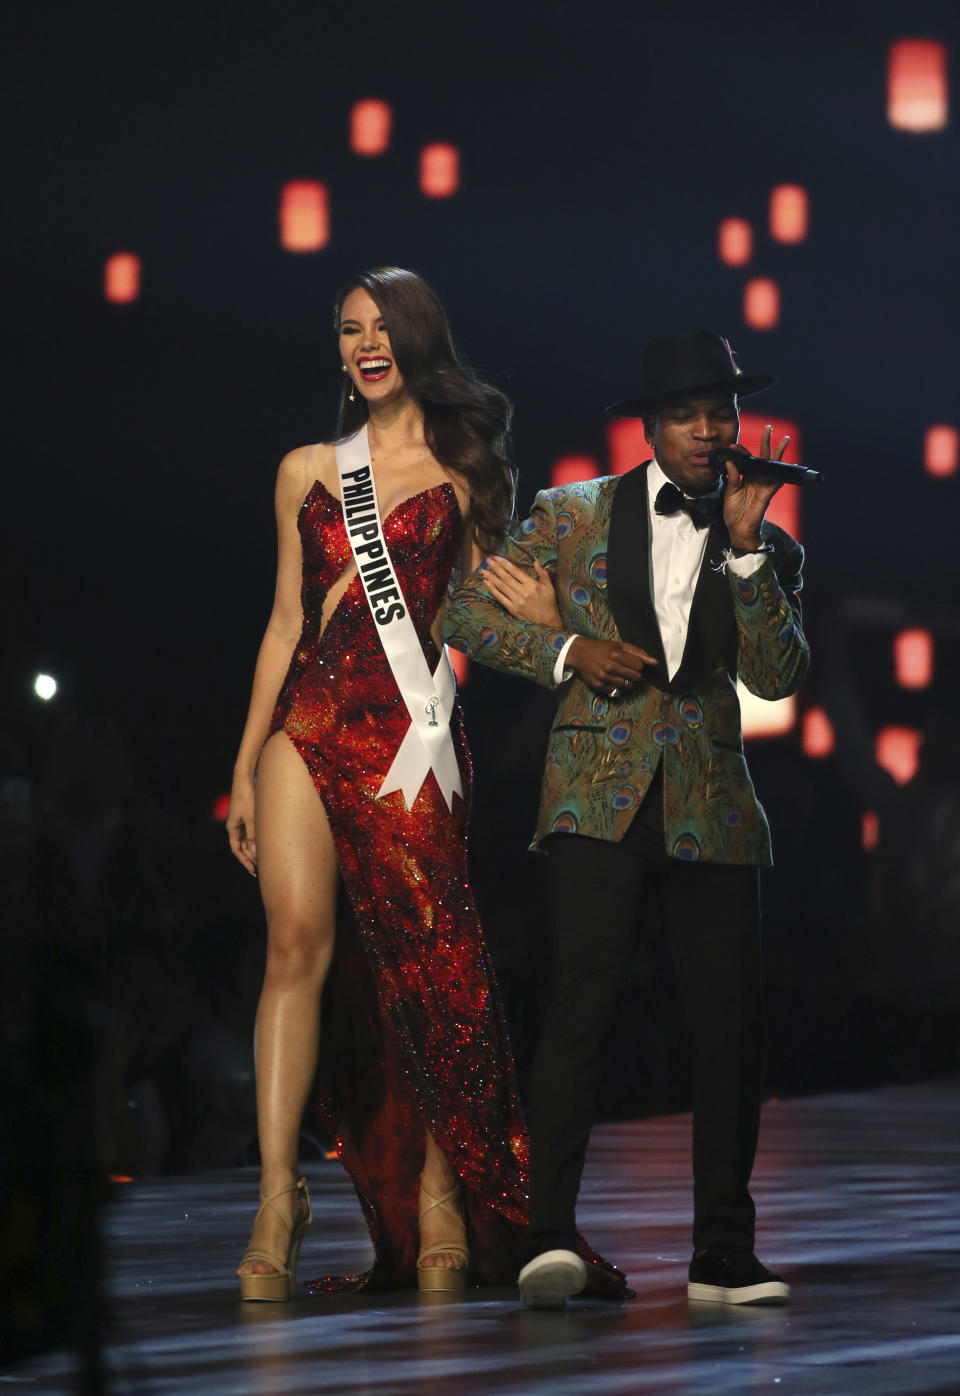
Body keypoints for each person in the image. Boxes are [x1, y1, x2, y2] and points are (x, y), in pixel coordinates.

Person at [226, 267, 626, 1301]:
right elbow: (283, 621)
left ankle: (445, 1197)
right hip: (307, 724)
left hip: (410, 735)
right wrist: (240, 763)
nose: (365, 345)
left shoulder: (466, 471)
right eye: (349, 329)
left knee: (435, 968)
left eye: (382, 328)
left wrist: (545, 618)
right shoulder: (305, 469)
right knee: (293, 943)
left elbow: (485, 625)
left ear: (417, 340)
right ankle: (279, 1197)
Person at [441, 329, 810, 1308]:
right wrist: (567, 650)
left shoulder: (765, 546)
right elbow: (463, 617)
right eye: (688, 413)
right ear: (651, 425)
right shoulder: (572, 514)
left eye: (720, 413)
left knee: (729, 1028)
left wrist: (741, 553)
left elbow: (777, 676)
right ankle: (546, 1237)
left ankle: (722, 1254)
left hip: (712, 806)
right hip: (596, 798)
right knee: (582, 1009)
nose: (707, 429)